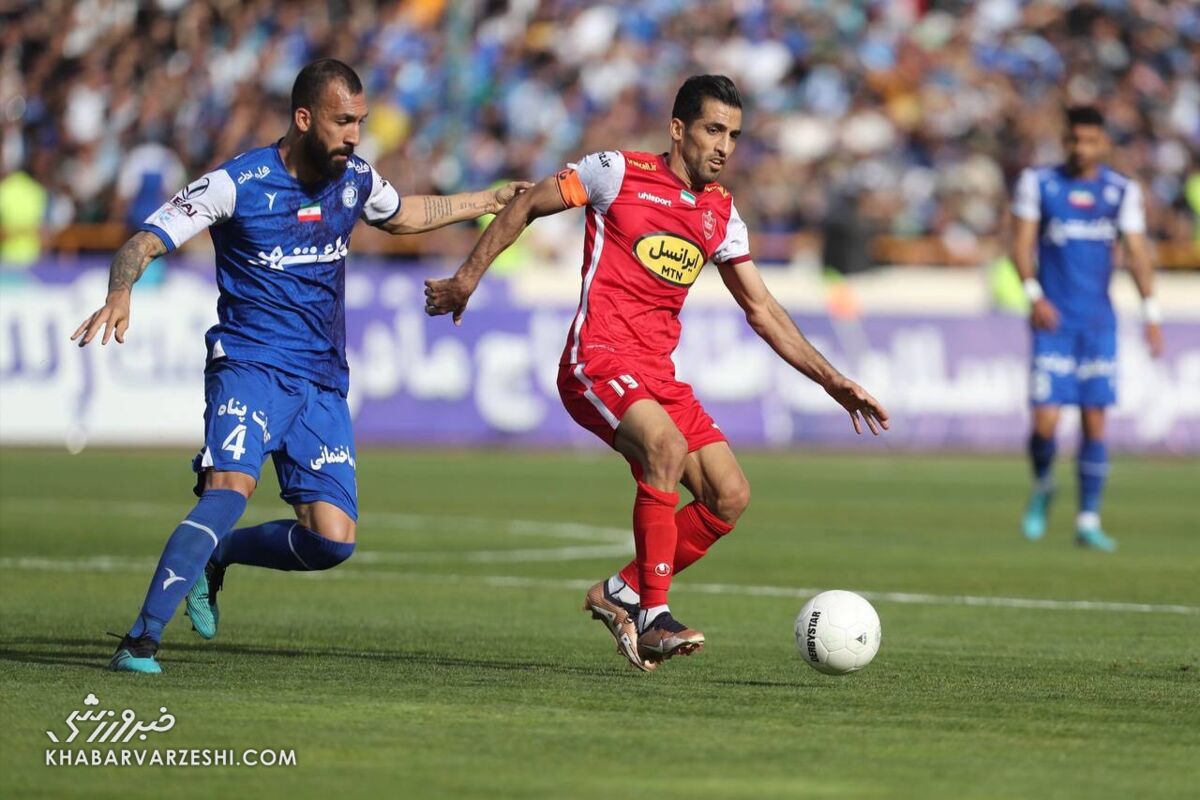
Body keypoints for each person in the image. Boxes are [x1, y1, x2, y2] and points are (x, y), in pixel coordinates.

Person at [72, 59, 530, 673]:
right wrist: (122, 291)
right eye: (344, 122)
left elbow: (405, 215)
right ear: (304, 117)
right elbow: (145, 239)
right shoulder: (237, 183)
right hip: (251, 366)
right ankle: (141, 641)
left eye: (362, 122)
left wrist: (486, 199)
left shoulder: (354, 178)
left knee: (331, 541)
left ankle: (219, 555)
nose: (355, 136)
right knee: (228, 491)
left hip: (321, 381)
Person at [424, 75, 889, 671]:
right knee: (665, 446)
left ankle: (619, 593)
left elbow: (763, 308)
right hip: (596, 359)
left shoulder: (721, 214)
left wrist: (832, 380)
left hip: (658, 375)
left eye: (735, 135)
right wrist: (468, 276)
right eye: (713, 130)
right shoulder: (614, 172)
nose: (724, 146)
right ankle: (651, 618)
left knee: (729, 496)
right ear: (678, 129)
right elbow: (527, 202)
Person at [1010, 105, 1164, 553]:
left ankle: (1088, 518)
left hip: (1098, 322)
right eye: (1075, 140)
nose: (1082, 148)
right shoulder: (1039, 184)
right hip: (1053, 320)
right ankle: (1043, 486)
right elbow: (1019, 245)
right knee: (1046, 419)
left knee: (1095, 421)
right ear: (1066, 141)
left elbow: (1136, 253)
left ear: (1103, 143)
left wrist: (1151, 313)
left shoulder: (1120, 191)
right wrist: (1035, 294)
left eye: (1091, 140)